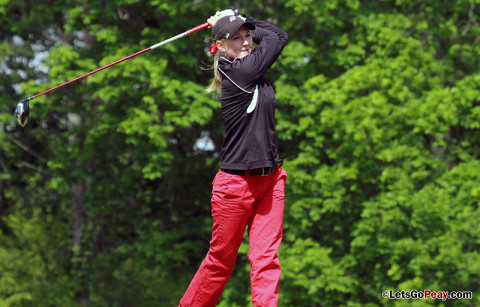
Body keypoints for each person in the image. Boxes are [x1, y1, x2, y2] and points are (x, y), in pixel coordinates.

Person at [179, 9, 288, 307]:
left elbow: (270, 38)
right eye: (235, 38)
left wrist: (237, 17)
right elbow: (279, 36)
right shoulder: (238, 72)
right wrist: (236, 16)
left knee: (266, 258)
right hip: (235, 187)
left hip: (271, 180)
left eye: (247, 36)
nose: (245, 43)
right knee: (220, 262)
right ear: (220, 47)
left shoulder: (252, 70)